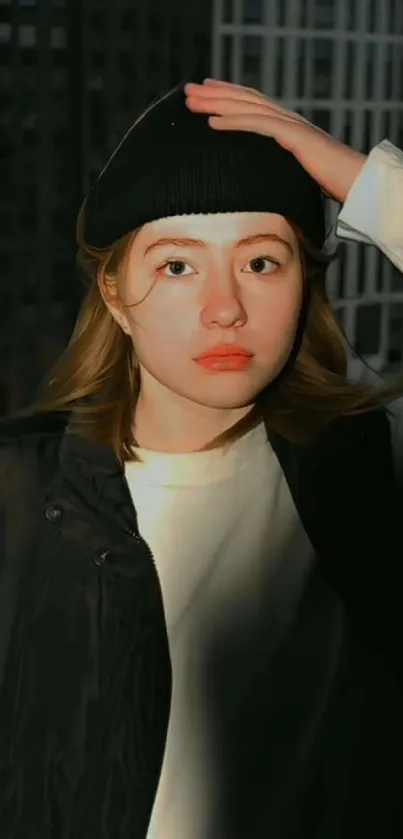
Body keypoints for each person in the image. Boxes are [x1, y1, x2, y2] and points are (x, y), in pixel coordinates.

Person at [0, 78, 402, 839]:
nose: (226, 307)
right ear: (115, 293)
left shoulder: (367, 454)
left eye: (260, 263)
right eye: (178, 266)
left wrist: (367, 186)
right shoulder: (21, 491)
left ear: (303, 282)